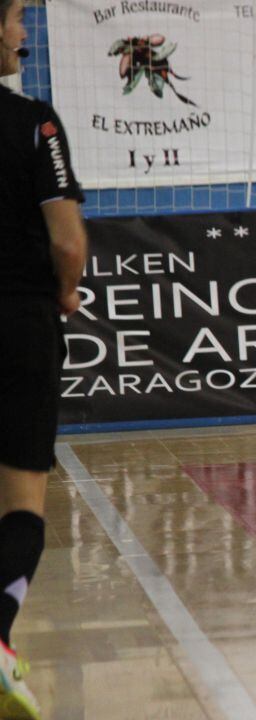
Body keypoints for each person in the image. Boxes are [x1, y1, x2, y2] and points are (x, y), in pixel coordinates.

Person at [0, 0, 88, 714]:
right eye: (18, 20)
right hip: (19, 324)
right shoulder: (35, 121)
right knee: (22, 497)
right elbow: (68, 241)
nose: (24, 34)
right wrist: (65, 292)